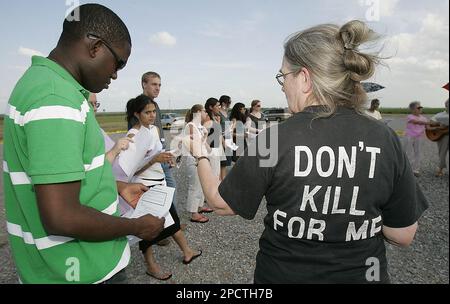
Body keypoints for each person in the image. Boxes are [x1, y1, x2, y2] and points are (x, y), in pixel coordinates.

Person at [183, 20, 428, 284]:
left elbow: (221, 202)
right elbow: (403, 234)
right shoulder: (384, 137)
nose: (282, 85)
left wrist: (200, 153)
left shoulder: (275, 139)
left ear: (305, 78)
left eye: (283, 76)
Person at [3, 4, 164, 284]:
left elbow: (59, 178)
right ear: (95, 47)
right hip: (81, 273)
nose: (115, 74)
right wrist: (137, 226)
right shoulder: (55, 99)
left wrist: (118, 187)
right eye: (118, 63)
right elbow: (61, 217)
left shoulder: (45, 85)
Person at [126, 95, 202, 281]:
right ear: (137, 114)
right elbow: (129, 170)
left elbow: (156, 154)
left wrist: (167, 159)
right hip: (144, 187)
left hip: (160, 182)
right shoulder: (132, 136)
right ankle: (151, 266)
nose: (152, 116)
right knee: (148, 230)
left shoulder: (153, 129)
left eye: (154, 112)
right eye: (147, 112)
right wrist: (154, 160)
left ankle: (187, 251)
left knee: (172, 219)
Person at [140, 71, 182, 244]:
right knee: (157, 198)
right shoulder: (140, 106)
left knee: (170, 192)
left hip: (161, 157)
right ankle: (160, 231)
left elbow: (157, 136)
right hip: (151, 163)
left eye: (159, 85)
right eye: (153, 84)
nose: (157, 88)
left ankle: (171, 227)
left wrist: (166, 154)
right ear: (144, 84)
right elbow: (141, 139)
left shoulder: (154, 105)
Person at [184, 104, 214, 223]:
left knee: (201, 185)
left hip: (201, 158)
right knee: (195, 186)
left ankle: (199, 206)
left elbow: (201, 144)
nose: (206, 113)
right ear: (197, 112)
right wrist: (199, 158)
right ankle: (193, 213)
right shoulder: (191, 125)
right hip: (195, 159)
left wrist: (205, 136)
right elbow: (190, 144)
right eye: (204, 111)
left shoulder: (198, 126)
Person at [404, 101, 433, 177]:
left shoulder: (424, 118)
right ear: (412, 109)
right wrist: (429, 123)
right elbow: (416, 122)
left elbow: (428, 128)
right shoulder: (410, 116)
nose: (420, 109)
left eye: (421, 107)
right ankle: (408, 169)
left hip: (419, 137)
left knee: (418, 153)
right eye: (418, 107)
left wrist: (439, 127)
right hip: (410, 136)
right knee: (409, 152)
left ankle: (416, 169)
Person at [429, 99, 449, 177]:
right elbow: (430, 122)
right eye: (448, 105)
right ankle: (440, 169)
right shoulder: (440, 115)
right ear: (446, 105)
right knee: (442, 153)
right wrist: (439, 123)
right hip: (442, 136)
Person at [218, 95, 233, 180]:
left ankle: (223, 180)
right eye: (229, 102)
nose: (230, 104)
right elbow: (218, 128)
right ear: (223, 103)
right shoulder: (219, 113)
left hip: (228, 138)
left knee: (226, 162)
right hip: (222, 139)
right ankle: (220, 181)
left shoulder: (226, 112)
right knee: (221, 162)